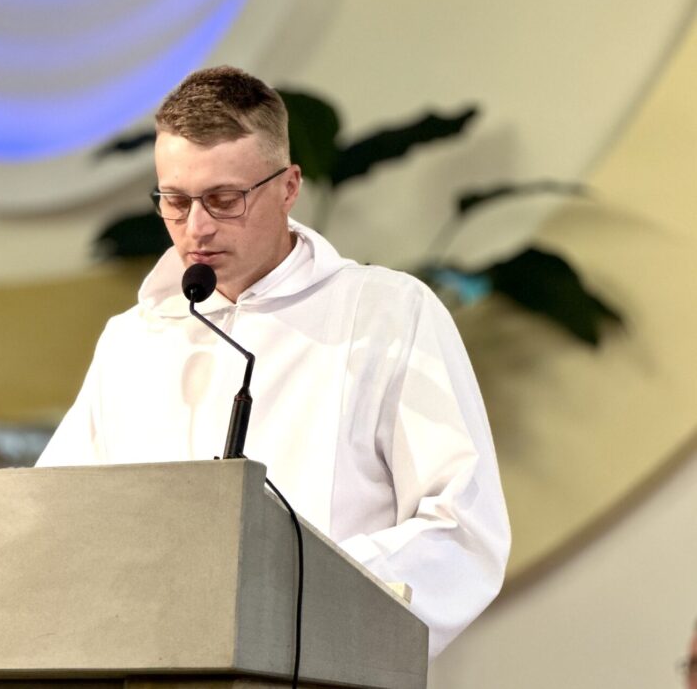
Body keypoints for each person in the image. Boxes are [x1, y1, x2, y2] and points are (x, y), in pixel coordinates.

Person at [37, 65, 511, 658]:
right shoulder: (133, 340)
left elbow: (462, 530)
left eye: (224, 200)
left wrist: (286, 589)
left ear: (289, 187)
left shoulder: (387, 314)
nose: (196, 229)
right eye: (175, 202)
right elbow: (57, 520)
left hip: (318, 666)